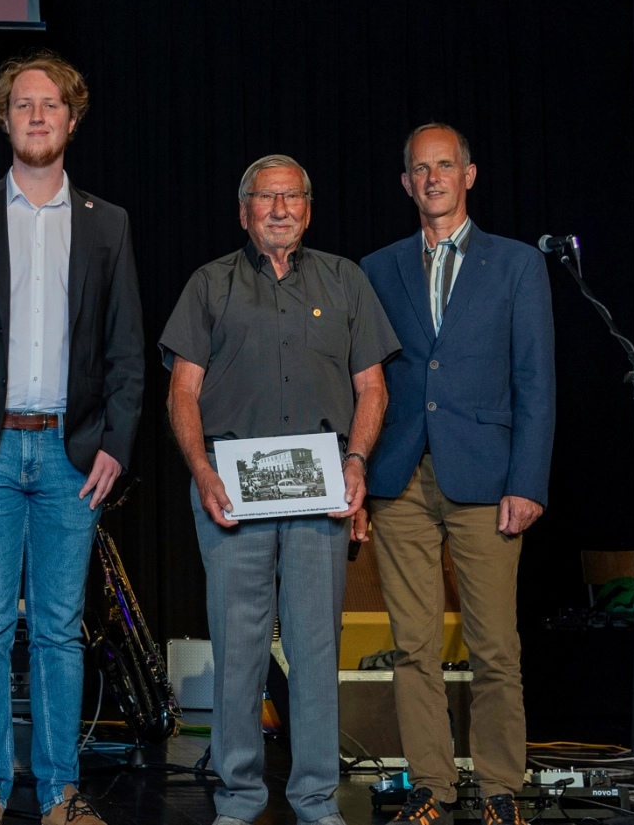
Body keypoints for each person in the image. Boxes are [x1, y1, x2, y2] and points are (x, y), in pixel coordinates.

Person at [0, 50, 144, 825]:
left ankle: (61, 794)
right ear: (3, 119)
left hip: (73, 457)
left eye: (51, 105)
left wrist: (116, 440)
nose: (37, 116)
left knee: (56, 631)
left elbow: (126, 349)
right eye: (23, 105)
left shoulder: (107, 224)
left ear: (72, 120)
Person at [160, 154, 399, 825]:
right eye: (265, 197)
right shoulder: (210, 284)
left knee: (316, 646)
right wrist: (201, 472)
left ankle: (316, 799)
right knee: (238, 647)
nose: (279, 208)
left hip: (320, 488)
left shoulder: (345, 280)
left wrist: (356, 462)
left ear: (309, 208)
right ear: (244, 211)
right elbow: (183, 391)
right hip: (230, 488)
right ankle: (237, 799)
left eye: (291, 196)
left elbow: (372, 387)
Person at [360, 124, 556, 825]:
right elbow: (366, 377)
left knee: (495, 643)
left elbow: (536, 380)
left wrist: (527, 481)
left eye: (446, 165)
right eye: (421, 168)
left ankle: (503, 787)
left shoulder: (515, 265)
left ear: (469, 175)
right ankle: (432, 787)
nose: (434, 177)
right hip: (400, 476)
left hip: (488, 476)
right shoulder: (377, 268)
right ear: (407, 183)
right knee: (412, 645)